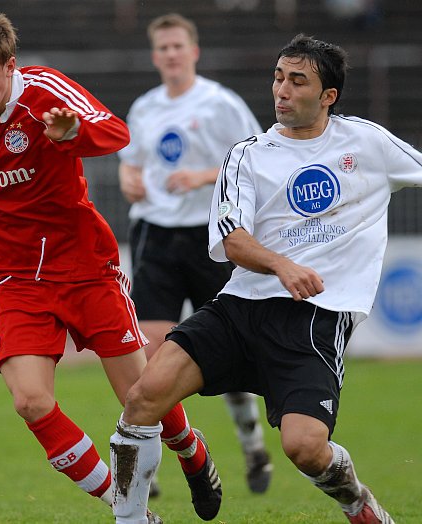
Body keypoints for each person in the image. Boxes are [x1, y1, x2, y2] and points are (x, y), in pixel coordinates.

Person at [0, 12, 220, 523]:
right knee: (31, 403)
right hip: (17, 282)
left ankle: (191, 450)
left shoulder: (44, 90)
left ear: (9, 66)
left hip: (86, 268)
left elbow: (116, 132)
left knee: (140, 396)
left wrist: (72, 133)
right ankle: (130, 511)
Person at [111, 34, 410, 523]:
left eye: (297, 81)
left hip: (317, 317)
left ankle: (358, 501)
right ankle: (132, 519)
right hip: (240, 306)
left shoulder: (367, 142)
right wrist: (282, 264)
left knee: (305, 447)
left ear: (328, 96)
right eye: (278, 77)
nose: (282, 90)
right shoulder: (247, 154)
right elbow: (233, 239)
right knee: (143, 397)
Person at [117, 13, 272, 497]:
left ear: (194, 50)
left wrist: (203, 176)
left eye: (177, 46)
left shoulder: (220, 102)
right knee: (152, 354)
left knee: (227, 349)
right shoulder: (144, 108)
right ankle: (152, 459)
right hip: (157, 238)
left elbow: (256, 155)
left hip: (210, 239)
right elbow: (129, 165)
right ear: (154, 55)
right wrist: (129, 180)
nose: (170, 54)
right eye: (162, 47)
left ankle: (252, 445)